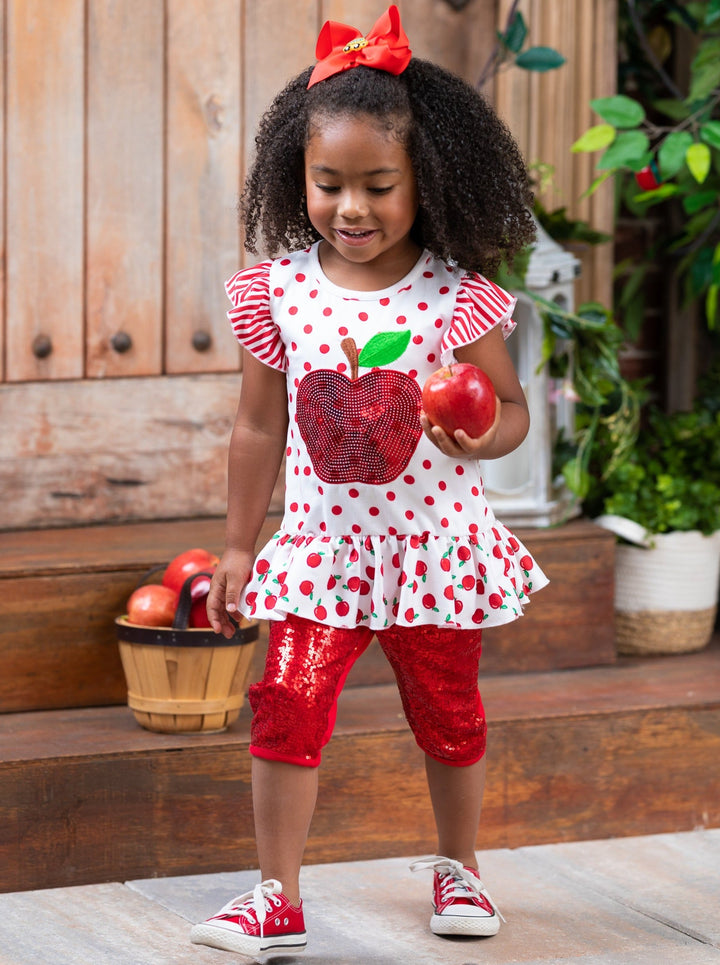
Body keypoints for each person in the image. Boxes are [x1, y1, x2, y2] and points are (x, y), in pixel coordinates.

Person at [191, 5, 548, 957]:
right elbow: (259, 422)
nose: (352, 208)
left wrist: (478, 432)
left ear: (424, 180)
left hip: (435, 551)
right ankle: (276, 894)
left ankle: (459, 865)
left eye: (379, 186)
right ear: (293, 177)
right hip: (320, 552)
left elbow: (510, 412)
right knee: (288, 702)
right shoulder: (279, 291)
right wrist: (237, 543)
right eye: (329, 183)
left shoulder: (454, 294)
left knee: (451, 711)